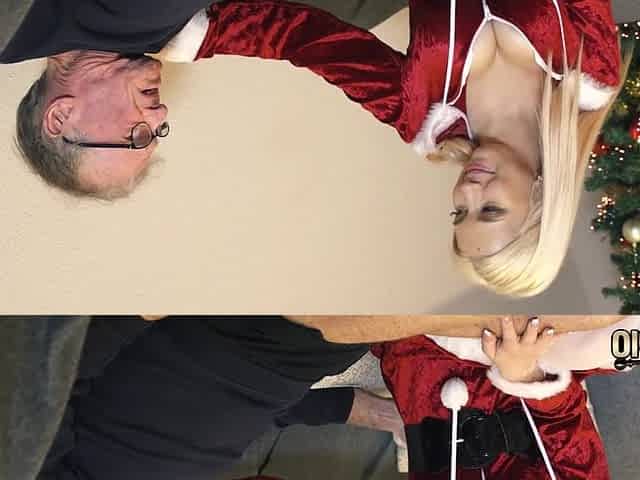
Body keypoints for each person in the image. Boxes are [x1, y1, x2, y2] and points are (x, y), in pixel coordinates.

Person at [11, 0, 627, 298]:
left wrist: (204, 36)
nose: (466, 192)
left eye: (459, 212)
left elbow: (305, 41)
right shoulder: (590, 73)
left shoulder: (422, 121)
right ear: (542, 202)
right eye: (487, 210)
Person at [3, 0, 406, 199]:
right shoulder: (179, 35)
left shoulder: (14, 29)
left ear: (61, 117)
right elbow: (300, 36)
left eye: (136, 136)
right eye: (157, 131)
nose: (160, 113)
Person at [37, 315, 406, 479]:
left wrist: (148, 301)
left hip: (256, 321)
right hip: (301, 358)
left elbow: (45, 375)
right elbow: (219, 432)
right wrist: (363, 411)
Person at [371, 315, 640, 479]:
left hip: (421, 360)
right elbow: (566, 420)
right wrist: (524, 375)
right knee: (629, 342)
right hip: (525, 366)